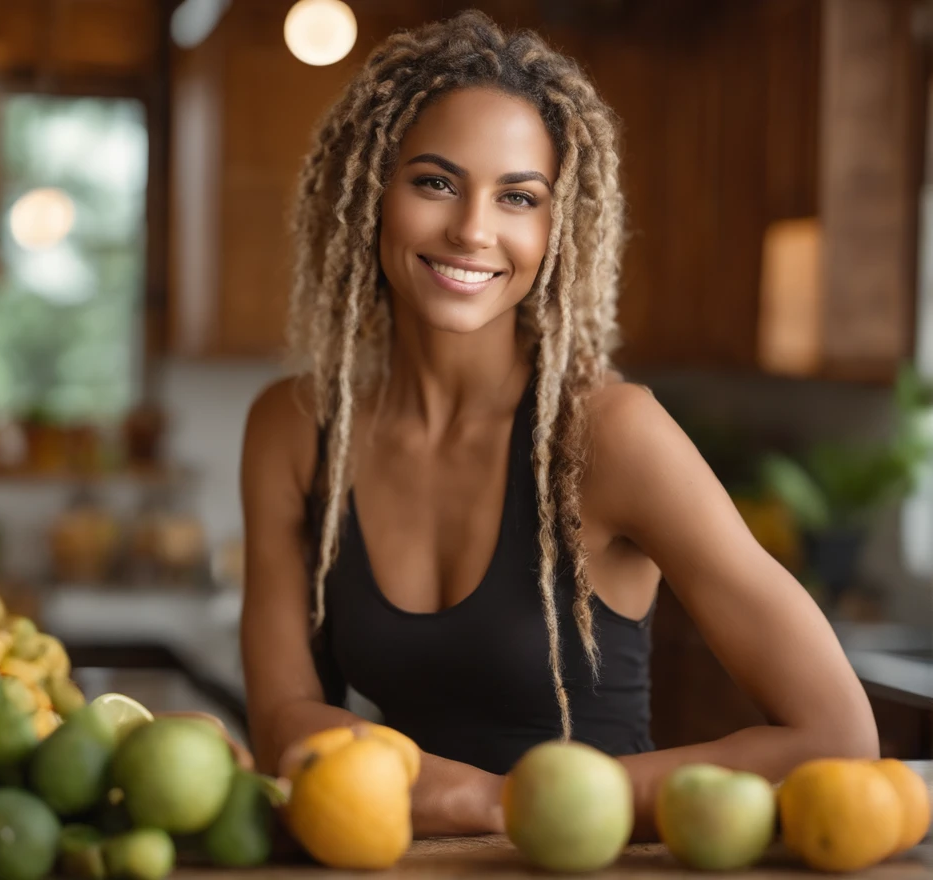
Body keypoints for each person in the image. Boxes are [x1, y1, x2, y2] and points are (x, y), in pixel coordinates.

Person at [238, 10, 877, 840]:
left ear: (556, 227)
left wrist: (495, 803)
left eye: (518, 198)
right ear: (367, 194)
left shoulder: (612, 435)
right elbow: (285, 718)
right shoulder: (293, 431)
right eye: (434, 181)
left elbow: (839, 736)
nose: (473, 228)